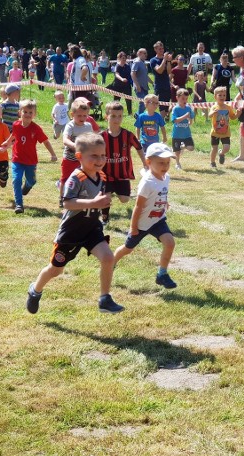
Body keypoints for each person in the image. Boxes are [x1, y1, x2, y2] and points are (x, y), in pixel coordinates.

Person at [26, 133, 124, 315]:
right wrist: (93, 203)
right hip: (71, 232)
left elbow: (98, 198)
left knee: (108, 258)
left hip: (92, 229)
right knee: (56, 270)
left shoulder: (102, 175)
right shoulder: (76, 177)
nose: (100, 160)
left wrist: (104, 203)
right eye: (94, 156)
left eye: (102, 155)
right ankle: (35, 289)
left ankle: (104, 298)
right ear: (79, 156)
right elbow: (67, 203)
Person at [112, 143, 179, 290]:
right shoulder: (147, 183)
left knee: (170, 243)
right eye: (161, 163)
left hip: (158, 220)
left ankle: (162, 274)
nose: (165, 166)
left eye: (167, 163)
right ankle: (112, 262)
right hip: (141, 224)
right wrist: (133, 227)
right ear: (149, 162)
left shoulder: (165, 177)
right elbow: (138, 206)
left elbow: (162, 191)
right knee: (127, 249)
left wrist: (164, 202)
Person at [0, 99, 58, 214]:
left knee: (32, 181)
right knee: (16, 180)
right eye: (25, 112)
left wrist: (53, 154)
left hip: (31, 161)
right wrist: (7, 143)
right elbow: (14, 134)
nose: (28, 115)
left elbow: (46, 141)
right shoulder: (16, 124)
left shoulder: (36, 128)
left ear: (34, 114)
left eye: (30, 112)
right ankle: (19, 204)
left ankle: (28, 185)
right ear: (20, 112)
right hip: (17, 159)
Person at [100, 102, 144, 224]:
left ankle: (111, 193)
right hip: (106, 174)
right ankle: (104, 217)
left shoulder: (127, 135)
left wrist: (145, 162)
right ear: (106, 116)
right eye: (113, 116)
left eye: (120, 116)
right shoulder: (101, 136)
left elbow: (139, 147)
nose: (117, 119)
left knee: (124, 199)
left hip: (122, 175)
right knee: (106, 197)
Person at [60, 99, 95, 206]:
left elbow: (91, 140)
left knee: (83, 179)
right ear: (72, 114)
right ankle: (62, 198)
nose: (82, 118)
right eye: (79, 115)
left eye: (85, 116)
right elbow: (65, 140)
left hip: (83, 160)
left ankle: (80, 197)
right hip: (69, 158)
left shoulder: (88, 126)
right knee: (65, 179)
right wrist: (76, 146)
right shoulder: (70, 126)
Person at [209, 86, 239, 167]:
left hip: (225, 132)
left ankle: (221, 153)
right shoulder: (214, 107)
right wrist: (213, 113)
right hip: (215, 132)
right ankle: (212, 162)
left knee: (227, 148)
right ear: (215, 97)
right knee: (214, 149)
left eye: (224, 95)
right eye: (220, 95)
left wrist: (238, 113)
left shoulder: (228, 107)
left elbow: (233, 117)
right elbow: (209, 115)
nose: (222, 97)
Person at [170, 88, 195, 170]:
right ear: (177, 98)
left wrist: (190, 120)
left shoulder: (188, 108)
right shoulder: (175, 109)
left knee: (191, 148)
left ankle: (183, 147)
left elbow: (191, 119)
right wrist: (185, 116)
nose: (185, 100)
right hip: (177, 134)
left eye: (186, 99)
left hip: (186, 134)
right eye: (183, 98)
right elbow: (175, 120)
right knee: (177, 152)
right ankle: (177, 164)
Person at [149, 41, 172, 116]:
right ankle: (160, 124)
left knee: (166, 107)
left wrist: (168, 61)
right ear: (155, 49)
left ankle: (163, 121)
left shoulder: (165, 59)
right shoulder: (153, 60)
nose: (162, 50)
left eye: (162, 49)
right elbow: (159, 71)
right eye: (159, 49)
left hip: (167, 85)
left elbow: (169, 72)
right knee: (161, 107)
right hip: (159, 86)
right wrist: (164, 60)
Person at [131, 48, 149, 115]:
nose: (146, 55)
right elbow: (132, 74)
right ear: (139, 54)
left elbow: (145, 75)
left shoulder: (143, 63)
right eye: (144, 53)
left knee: (147, 102)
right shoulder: (137, 62)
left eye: (146, 53)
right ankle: (139, 117)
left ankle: (137, 114)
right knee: (142, 102)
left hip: (145, 87)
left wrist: (152, 82)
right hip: (139, 87)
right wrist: (137, 85)